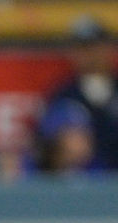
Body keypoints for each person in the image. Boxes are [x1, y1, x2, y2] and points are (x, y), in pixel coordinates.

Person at [40, 15, 118, 172]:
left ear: (108, 48)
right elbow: (49, 152)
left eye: (94, 46)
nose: (89, 54)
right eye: (82, 47)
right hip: (82, 180)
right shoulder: (63, 94)